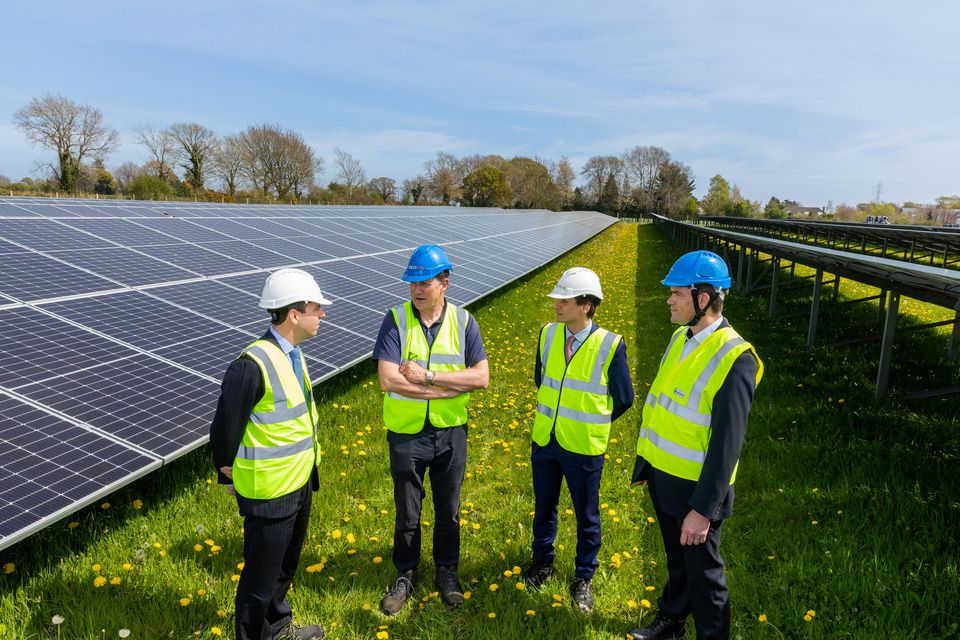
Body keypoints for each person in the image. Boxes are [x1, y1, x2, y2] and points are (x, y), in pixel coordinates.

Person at [628, 251, 763, 640]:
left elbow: (727, 446)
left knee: (705, 576)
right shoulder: (680, 337)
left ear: (703, 298)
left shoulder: (737, 358)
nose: (669, 300)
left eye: (676, 293)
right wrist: (647, 468)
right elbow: (664, 406)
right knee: (677, 563)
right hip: (664, 478)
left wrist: (703, 511)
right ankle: (671, 623)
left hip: (698, 491)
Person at [209, 268, 330, 640]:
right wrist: (229, 476)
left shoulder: (293, 355)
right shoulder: (251, 364)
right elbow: (224, 431)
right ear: (295, 314)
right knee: (258, 582)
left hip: (299, 484)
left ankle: (277, 629)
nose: (322, 314)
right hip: (270, 494)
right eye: (316, 308)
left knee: (283, 569)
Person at [372, 244, 489, 614]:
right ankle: (406, 573)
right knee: (407, 511)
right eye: (412, 283)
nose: (417, 290)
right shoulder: (395, 319)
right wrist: (444, 388)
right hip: (407, 434)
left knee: (448, 509)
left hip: (451, 433)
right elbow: (388, 379)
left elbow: (481, 377)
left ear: (445, 283)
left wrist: (430, 376)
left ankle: (446, 571)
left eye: (424, 282)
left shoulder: (465, 321)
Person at [523, 267, 635, 613]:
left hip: (584, 446)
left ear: (586, 305)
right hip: (546, 439)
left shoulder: (609, 345)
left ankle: (584, 576)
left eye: (564, 299)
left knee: (587, 515)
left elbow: (625, 397)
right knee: (544, 506)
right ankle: (542, 560)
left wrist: (593, 421)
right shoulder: (547, 335)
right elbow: (541, 379)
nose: (556, 305)